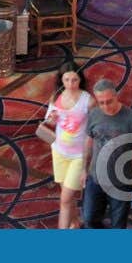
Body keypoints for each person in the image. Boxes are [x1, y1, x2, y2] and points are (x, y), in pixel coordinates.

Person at [81, 79, 132, 230]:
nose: (105, 106)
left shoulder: (130, 117)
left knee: (118, 224)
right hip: (95, 178)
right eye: (101, 102)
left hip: (121, 181)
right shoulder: (94, 114)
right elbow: (88, 142)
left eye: (109, 101)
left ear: (116, 96)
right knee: (89, 219)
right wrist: (83, 168)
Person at [42, 65, 92, 229]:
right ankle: (75, 223)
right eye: (67, 80)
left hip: (78, 156)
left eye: (75, 80)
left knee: (65, 199)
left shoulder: (88, 100)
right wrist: (52, 118)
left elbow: (95, 126)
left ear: (80, 80)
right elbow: (48, 122)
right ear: (61, 80)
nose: (70, 84)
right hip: (59, 152)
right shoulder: (56, 96)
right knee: (67, 197)